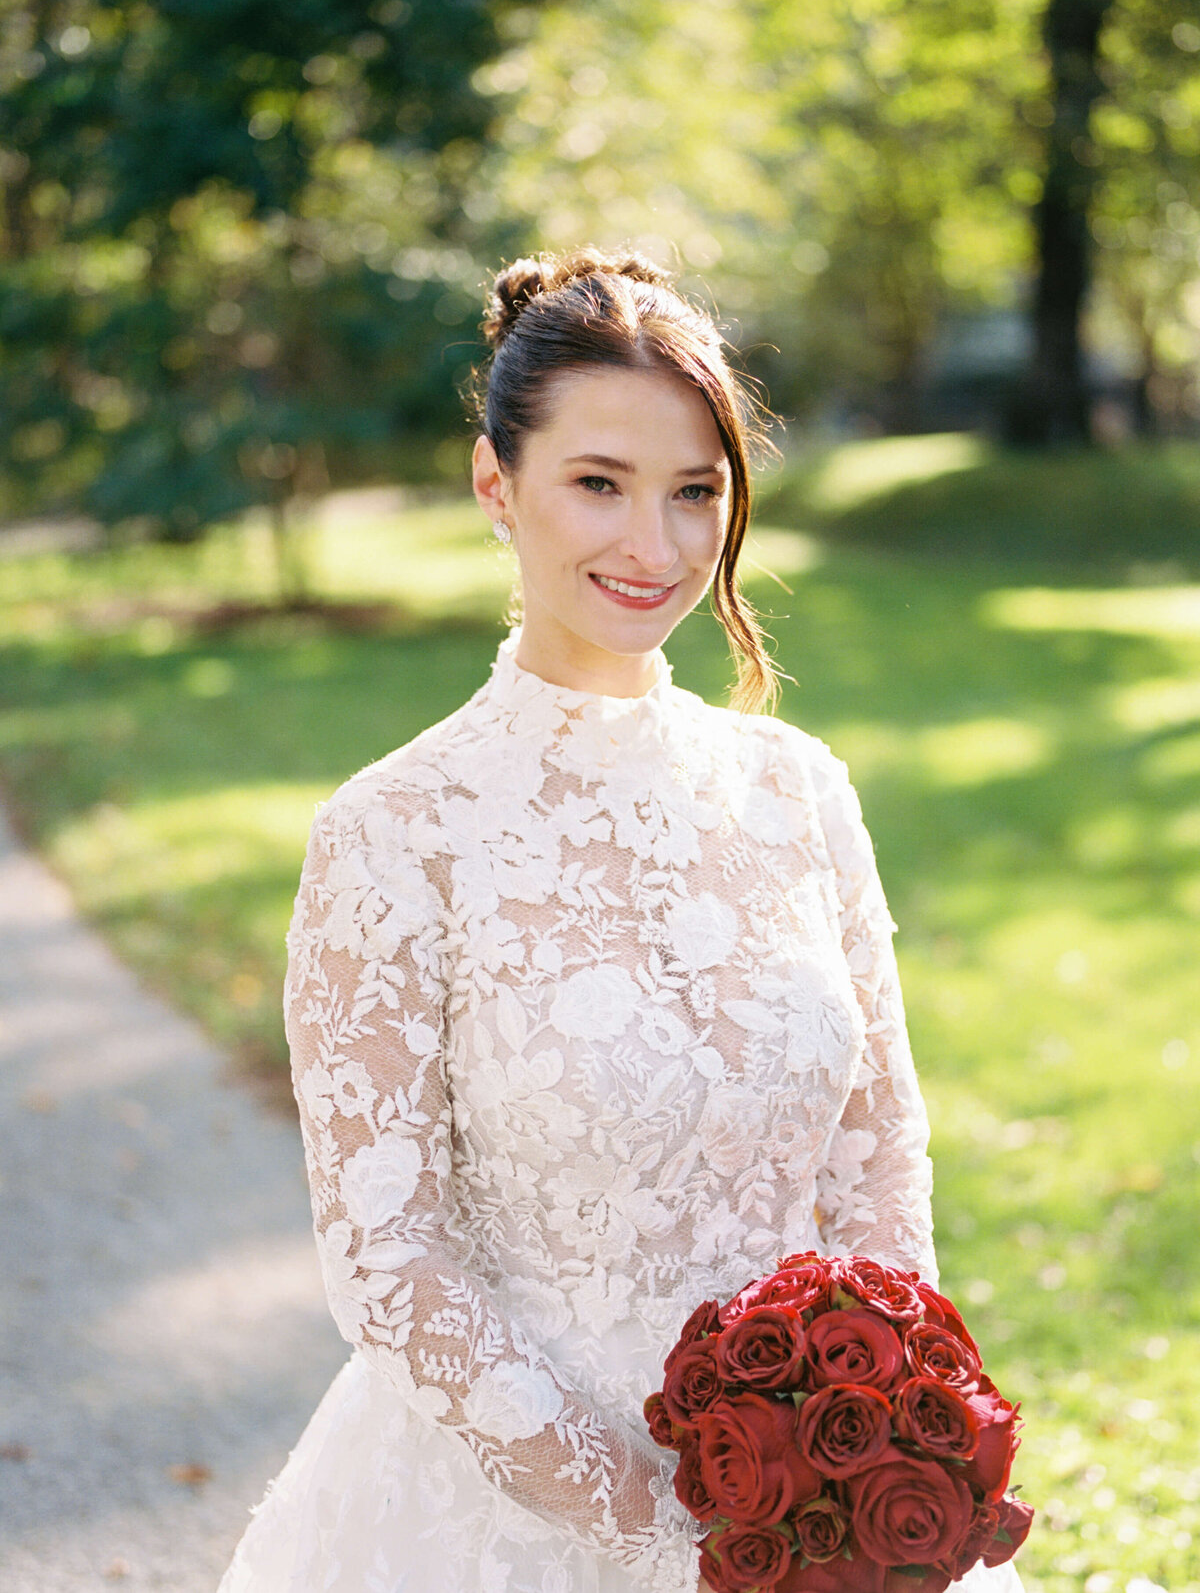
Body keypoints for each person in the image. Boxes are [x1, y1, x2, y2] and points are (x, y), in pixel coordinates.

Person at [218, 249, 1025, 1592]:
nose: (654, 549)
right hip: (522, 1503)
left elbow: (880, 1164)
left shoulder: (800, 792)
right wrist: (653, 1524)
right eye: (599, 484)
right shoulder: (394, 834)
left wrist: (881, 1434)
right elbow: (394, 1263)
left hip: (822, 1504)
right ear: (497, 484)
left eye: (694, 493)